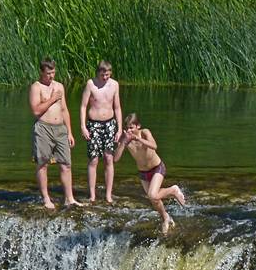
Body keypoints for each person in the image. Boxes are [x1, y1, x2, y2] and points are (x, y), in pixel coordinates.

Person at [114, 113, 185, 235]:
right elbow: (115, 158)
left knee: (153, 195)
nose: (129, 130)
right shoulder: (125, 139)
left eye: (132, 127)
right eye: (127, 127)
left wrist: (138, 139)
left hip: (157, 168)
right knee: (155, 200)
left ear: (138, 126)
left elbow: (154, 146)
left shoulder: (145, 133)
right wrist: (123, 143)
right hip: (143, 173)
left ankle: (173, 190)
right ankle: (166, 218)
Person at [28, 58, 82, 209]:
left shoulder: (59, 86)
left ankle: (69, 198)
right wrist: (52, 99)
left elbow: (64, 110)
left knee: (66, 164)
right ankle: (46, 199)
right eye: (48, 73)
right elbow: (36, 110)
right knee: (42, 163)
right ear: (41, 72)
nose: (51, 76)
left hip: (60, 129)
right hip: (43, 128)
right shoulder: (36, 87)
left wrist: (70, 132)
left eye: (53, 73)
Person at [80, 60, 123, 204]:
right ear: (98, 72)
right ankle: (92, 195)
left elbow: (117, 107)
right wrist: (83, 126)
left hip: (110, 123)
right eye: (103, 75)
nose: (105, 78)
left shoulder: (114, 85)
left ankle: (108, 195)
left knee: (109, 159)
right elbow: (83, 106)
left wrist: (120, 128)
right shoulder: (90, 84)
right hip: (93, 124)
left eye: (108, 75)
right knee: (93, 160)